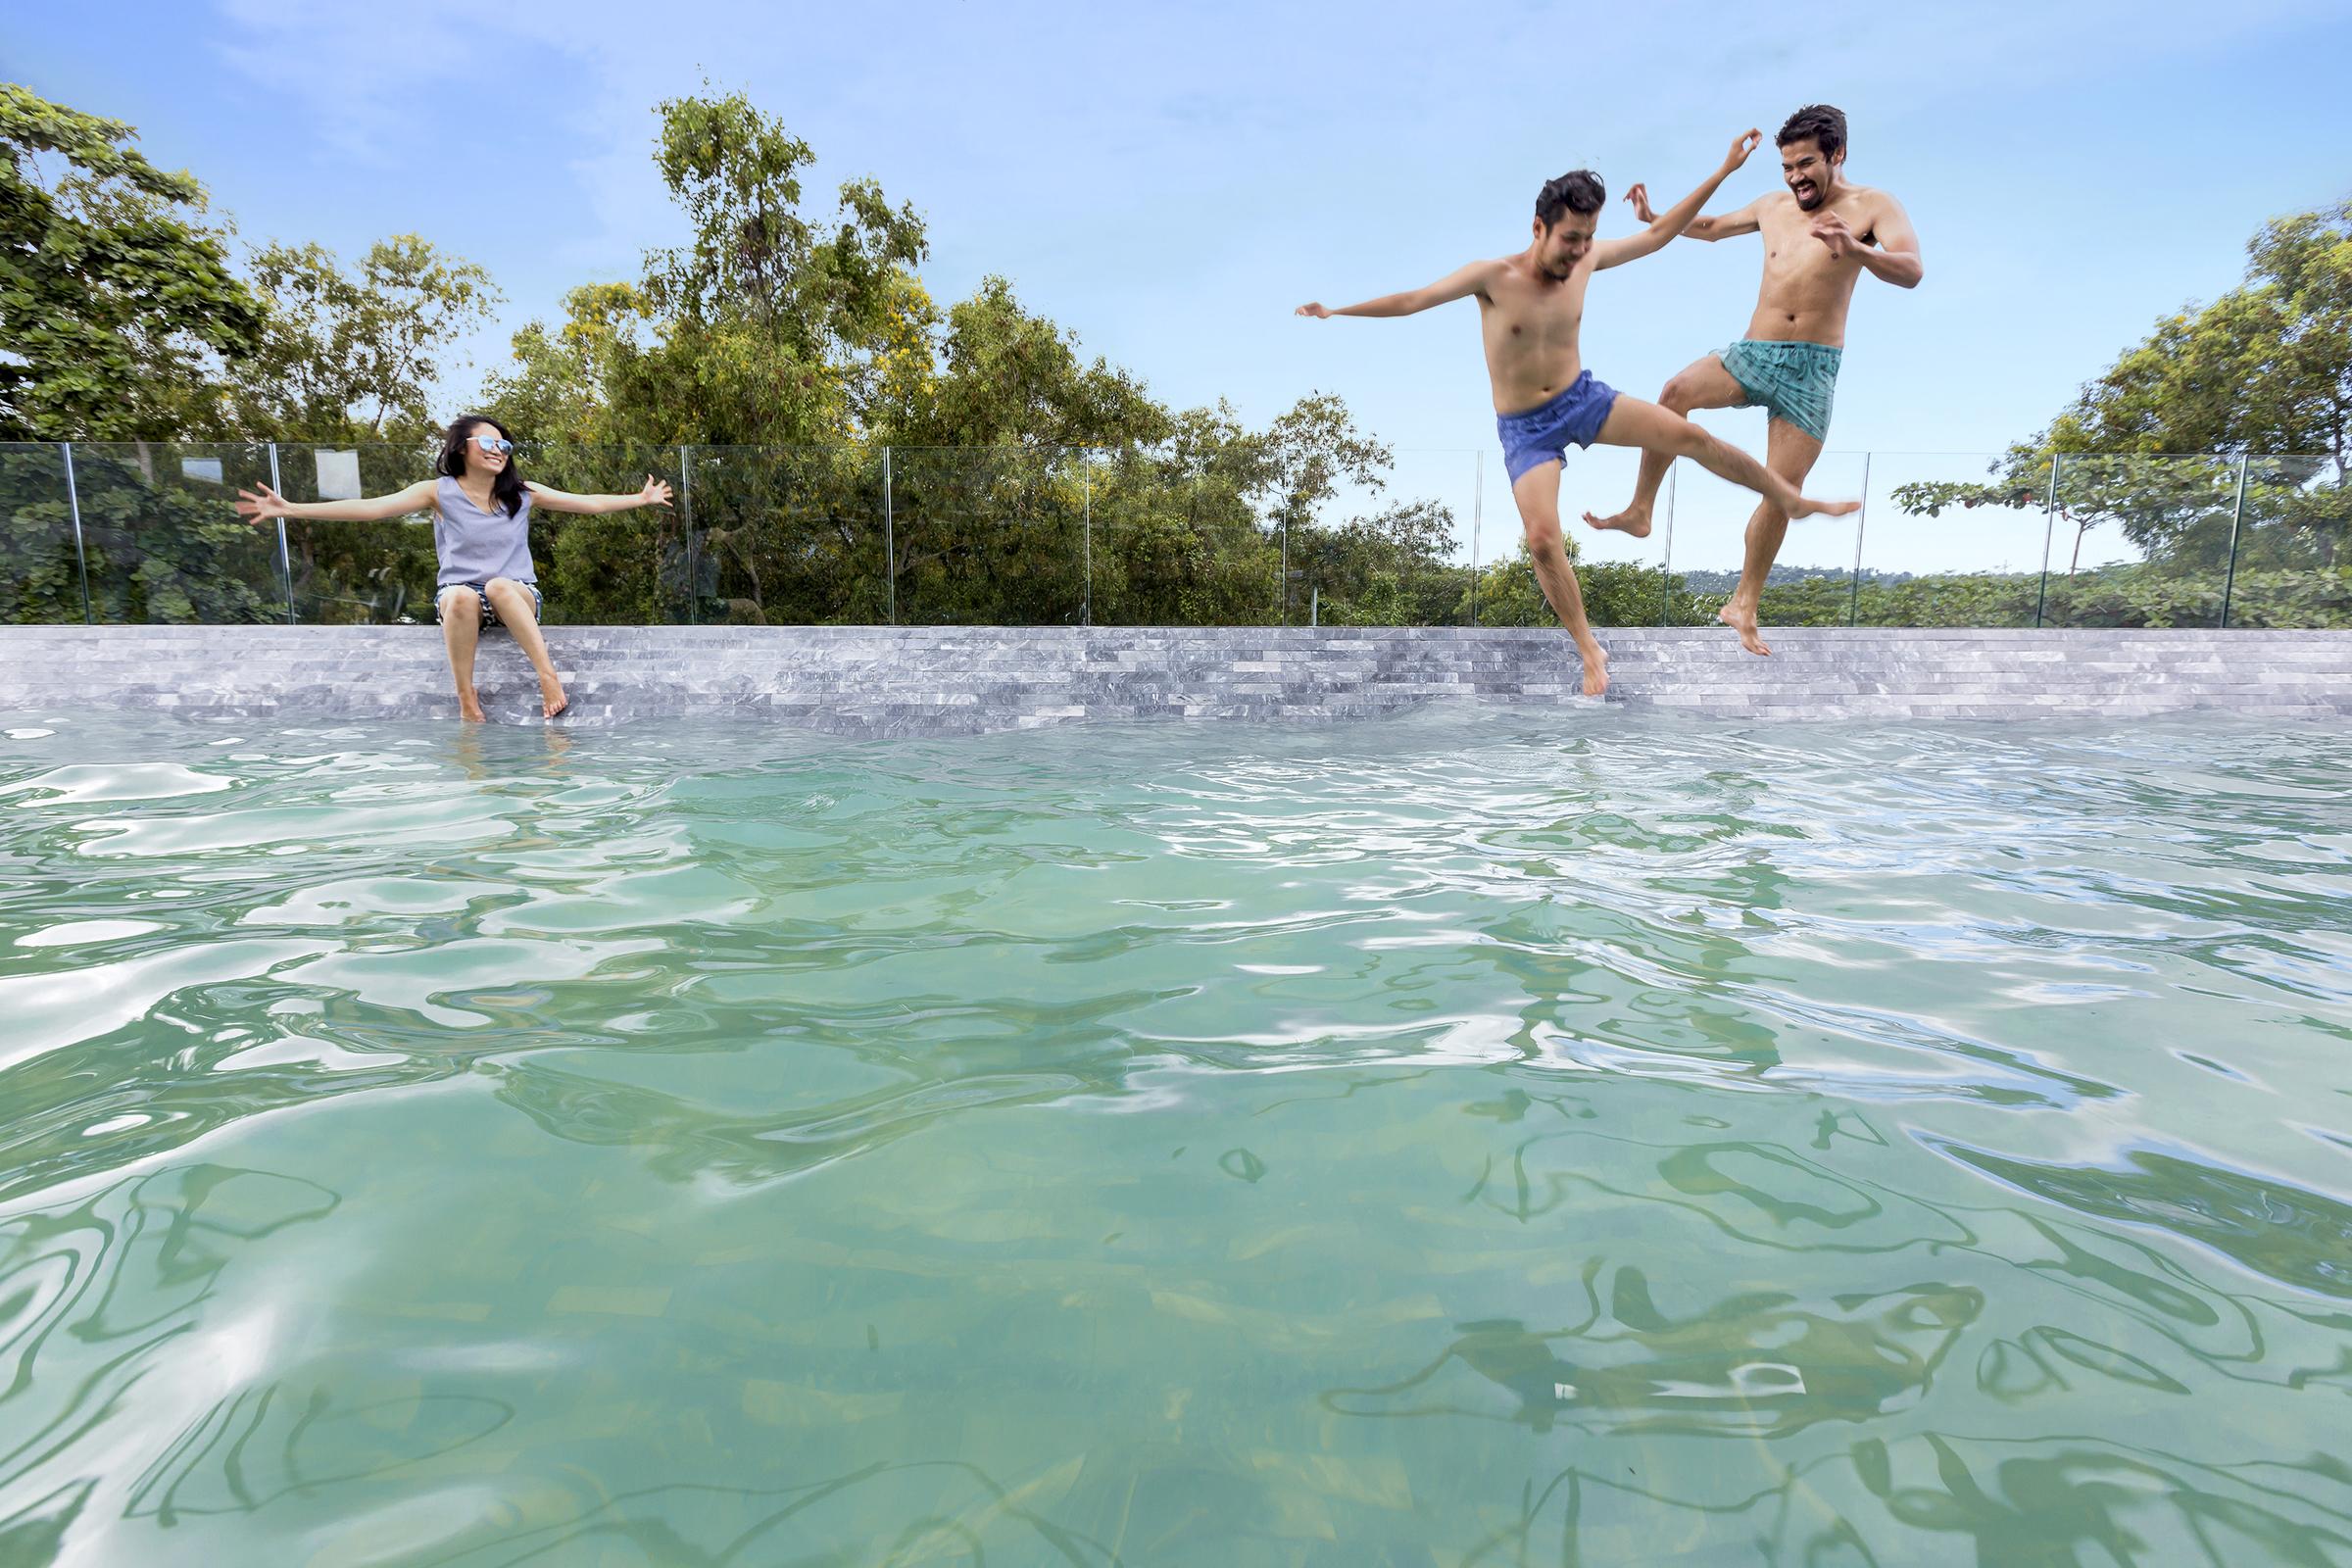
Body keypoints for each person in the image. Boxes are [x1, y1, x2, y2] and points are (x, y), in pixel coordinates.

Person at [1298, 130, 1858, 697]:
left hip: (1583, 401)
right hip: (1526, 430)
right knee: (1542, 539)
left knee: (1688, 434)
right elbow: (1412, 300)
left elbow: (1661, 235)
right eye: (1570, 238)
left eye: (1587, 238)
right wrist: (1336, 311)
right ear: (1538, 228)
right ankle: (1590, 649)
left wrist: (1722, 170)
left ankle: (1786, 497)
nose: (1578, 250)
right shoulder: (1491, 277)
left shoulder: (1587, 258)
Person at [1590, 105, 1922, 655]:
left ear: (1837, 155)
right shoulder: (1773, 206)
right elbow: (1713, 229)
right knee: (1675, 393)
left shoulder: (1874, 206)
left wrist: (1858, 249)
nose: (1795, 178)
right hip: (1755, 352)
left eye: (1806, 164)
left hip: (1813, 368)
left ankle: (1744, 602)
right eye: (1787, 167)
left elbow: (1911, 269)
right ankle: (1642, 509)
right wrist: (1654, 217)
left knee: (1781, 493)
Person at [235, 415, 672, 719]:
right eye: (488, 442)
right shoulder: (437, 492)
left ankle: (548, 677)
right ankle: (466, 697)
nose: (498, 450)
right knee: (460, 594)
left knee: (500, 585)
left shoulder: (523, 492)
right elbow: (370, 509)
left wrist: (640, 498)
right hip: (462, 601)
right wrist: (291, 509)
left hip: (517, 594)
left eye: (504, 444)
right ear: (461, 448)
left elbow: (590, 504)